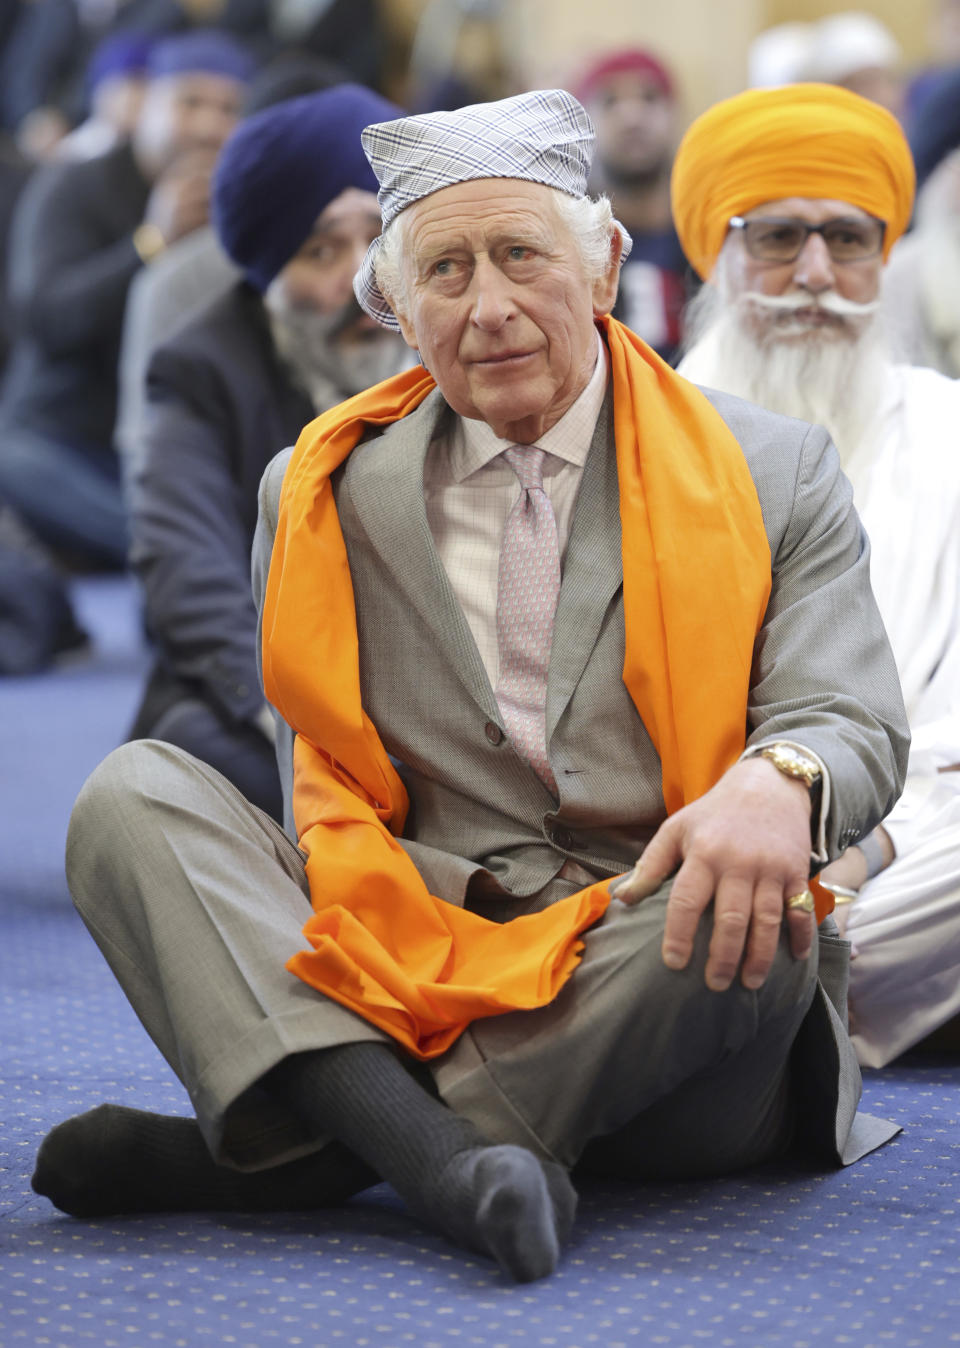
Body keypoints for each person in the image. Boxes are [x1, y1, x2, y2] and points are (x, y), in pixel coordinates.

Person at [32, 89, 908, 1284]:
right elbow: (320, 788)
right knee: (131, 798)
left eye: (518, 257)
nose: (487, 306)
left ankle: (338, 1142)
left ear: (602, 265)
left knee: (752, 914)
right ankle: (454, 1163)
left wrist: (778, 780)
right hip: (410, 940)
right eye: (444, 269)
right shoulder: (322, 489)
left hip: (652, 971)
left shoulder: (772, 467)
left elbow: (849, 717)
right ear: (393, 305)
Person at [673, 82, 960, 1068]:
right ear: (717, 252)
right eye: (777, 237)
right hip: (709, 832)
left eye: (848, 240)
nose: (814, 275)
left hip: (918, 841)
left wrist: (870, 848)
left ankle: (754, 988)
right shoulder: (650, 433)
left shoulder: (949, 432)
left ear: (887, 257)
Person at [126, 83, 409, 820]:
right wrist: (310, 726)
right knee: (193, 772)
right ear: (266, 280)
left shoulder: (455, 342)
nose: (362, 280)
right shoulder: (199, 369)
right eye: (322, 250)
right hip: (265, 693)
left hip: (432, 700)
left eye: (379, 237)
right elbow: (190, 576)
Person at [0, 30, 253, 568]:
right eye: (190, 102)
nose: (210, 125)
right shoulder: (73, 185)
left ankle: (178, 546)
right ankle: (177, 550)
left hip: (177, 446)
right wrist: (151, 245)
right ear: (147, 104)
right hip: (66, 442)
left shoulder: (242, 199)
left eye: (228, 108)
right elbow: (45, 321)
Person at [574, 49, 689, 364]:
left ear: (674, 113)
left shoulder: (704, 238)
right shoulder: (569, 243)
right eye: (610, 101)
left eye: (649, 98)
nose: (632, 117)